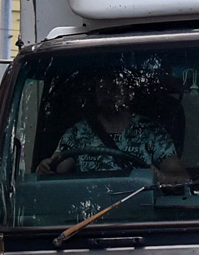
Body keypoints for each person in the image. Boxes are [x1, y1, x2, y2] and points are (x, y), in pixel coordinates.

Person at [35, 69, 189, 184]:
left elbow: (182, 179)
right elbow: (57, 169)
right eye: (102, 90)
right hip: (89, 214)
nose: (108, 95)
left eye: (114, 89)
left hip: (141, 218)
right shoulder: (77, 133)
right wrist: (46, 168)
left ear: (129, 93)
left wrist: (160, 177)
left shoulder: (152, 133)